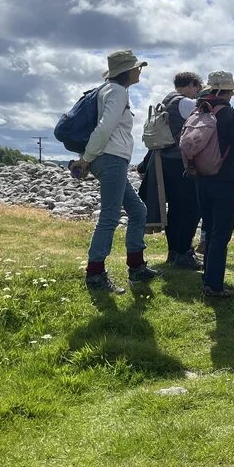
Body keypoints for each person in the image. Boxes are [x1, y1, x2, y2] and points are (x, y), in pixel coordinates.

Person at [73, 49, 159, 294]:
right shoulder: (118, 92)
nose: (139, 71)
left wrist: (88, 158)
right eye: (137, 68)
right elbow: (105, 127)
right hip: (110, 158)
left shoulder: (107, 91)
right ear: (127, 71)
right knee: (110, 216)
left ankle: (136, 265)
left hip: (109, 158)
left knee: (138, 209)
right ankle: (95, 274)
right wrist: (87, 159)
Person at [193, 71, 234, 299]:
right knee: (221, 234)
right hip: (224, 178)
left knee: (208, 227)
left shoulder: (200, 110)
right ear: (226, 92)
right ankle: (214, 286)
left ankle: (207, 278)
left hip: (200, 177)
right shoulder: (229, 114)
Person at [159, 71, 203, 269]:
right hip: (180, 162)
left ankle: (174, 251)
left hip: (165, 159)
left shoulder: (166, 100)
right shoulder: (185, 103)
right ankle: (184, 252)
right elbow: (204, 120)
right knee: (191, 208)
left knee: (175, 209)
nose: (197, 93)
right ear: (192, 84)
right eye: (197, 89)